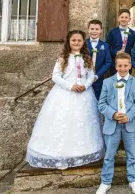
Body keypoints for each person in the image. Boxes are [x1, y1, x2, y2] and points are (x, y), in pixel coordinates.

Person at [26, 30, 104, 170]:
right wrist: (70, 86)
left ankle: (83, 151)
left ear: (83, 42)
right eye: (73, 40)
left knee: (82, 122)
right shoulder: (63, 58)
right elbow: (56, 76)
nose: (76, 43)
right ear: (69, 42)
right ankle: (63, 154)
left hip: (84, 94)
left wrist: (85, 85)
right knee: (64, 121)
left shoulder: (87, 58)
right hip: (65, 94)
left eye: (79, 40)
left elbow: (91, 75)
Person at [96, 53, 135, 194]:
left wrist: (129, 115)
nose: (122, 68)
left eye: (125, 65)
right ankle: (105, 182)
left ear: (130, 65)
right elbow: (102, 104)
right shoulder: (107, 82)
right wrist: (113, 114)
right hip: (112, 124)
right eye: (119, 65)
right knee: (109, 154)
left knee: (131, 153)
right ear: (115, 66)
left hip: (129, 124)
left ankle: (133, 179)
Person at [86, 19, 112, 99]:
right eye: (92, 29)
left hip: (98, 79)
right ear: (88, 29)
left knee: (98, 99)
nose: (94, 31)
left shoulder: (105, 45)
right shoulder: (83, 44)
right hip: (84, 78)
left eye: (97, 29)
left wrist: (97, 75)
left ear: (101, 30)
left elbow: (108, 62)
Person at [107, 9, 135, 75]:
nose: (124, 19)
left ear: (129, 19)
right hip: (114, 63)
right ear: (118, 19)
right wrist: (116, 52)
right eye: (122, 17)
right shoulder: (112, 32)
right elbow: (107, 46)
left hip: (127, 63)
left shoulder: (133, 33)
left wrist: (131, 60)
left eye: (126, 17)